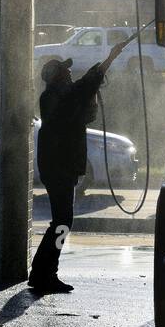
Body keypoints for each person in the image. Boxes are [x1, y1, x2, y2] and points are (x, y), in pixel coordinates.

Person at [29, 26, 142, 294]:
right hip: (59, 170)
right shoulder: (55, 100)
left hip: (59, 169)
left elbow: (82, 94)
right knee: (63, 222)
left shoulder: (58, 98)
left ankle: (42, 272)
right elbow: (83, 87)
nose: (70, 73)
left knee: (61, 222)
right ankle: (45, 273)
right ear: (56, 79)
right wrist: (111, 58)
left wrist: (104, 68)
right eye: (65, 72)